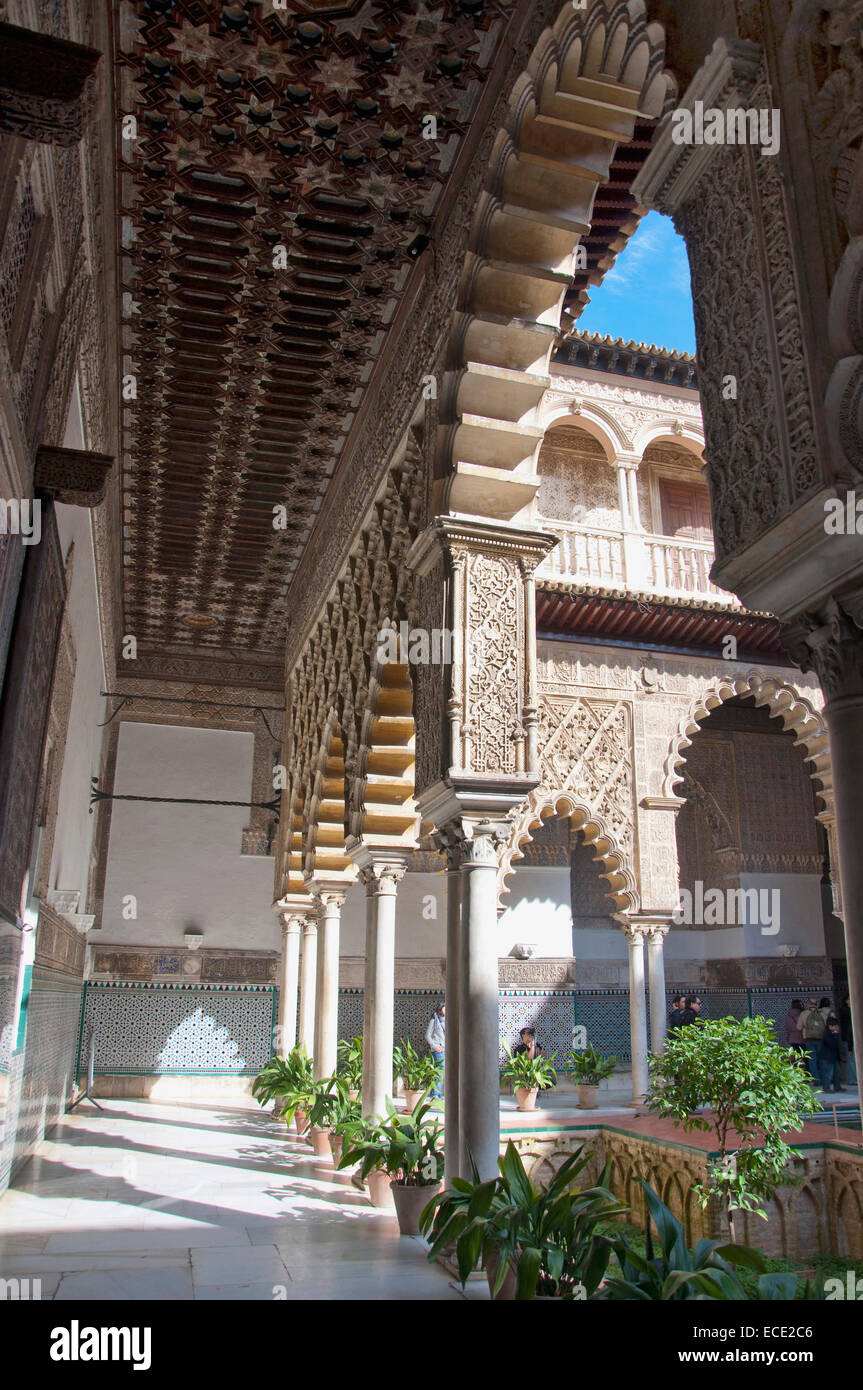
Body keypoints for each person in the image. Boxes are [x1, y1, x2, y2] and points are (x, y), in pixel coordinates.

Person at [799, 997, 826, 1082]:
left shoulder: (804, 1014)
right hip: (821, 1039)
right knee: (822, 1060)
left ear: (808, 1004)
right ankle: (824, 1079)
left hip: (809, 1039)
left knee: (812, 1060)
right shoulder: (822, 1014)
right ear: (816, 1004)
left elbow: (798, 1027)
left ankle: (816, 1079)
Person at [818, 1017, 844, 1093]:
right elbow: (831, 1044)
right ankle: (826, 1088)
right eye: (835, 1026)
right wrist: (835, 1035)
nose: (837, 1028)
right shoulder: (827, 1033)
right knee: (828, 1073)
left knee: (837, 1072)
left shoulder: (833, 1034)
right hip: (827, 1057)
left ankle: (837, 1086)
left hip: (834, 1056)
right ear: (830, 1026)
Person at [425, 1000, 445, 1099]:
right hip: (438, 1050)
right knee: (439, 1071)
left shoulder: (445, 1020)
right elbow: (427, 1035)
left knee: (442, 1072)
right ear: (440, 1009)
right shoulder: (434, 1020)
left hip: (445, 1050)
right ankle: (434, 1094)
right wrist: (434, 1046)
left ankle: (438, 1093)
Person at [839, 994, 856, 1085]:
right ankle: (852, 1079)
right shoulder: (845, 1011)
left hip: (851, 1038)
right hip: (848, 1038)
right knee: (851, 1059)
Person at [785, 999, 806, 1066]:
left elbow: (788, 1029)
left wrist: (788, 1039)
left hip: (793, 1040)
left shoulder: (789, 1016)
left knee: (795, 1058)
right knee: (803, 1057)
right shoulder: (803, 1014)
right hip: (803, 1039)